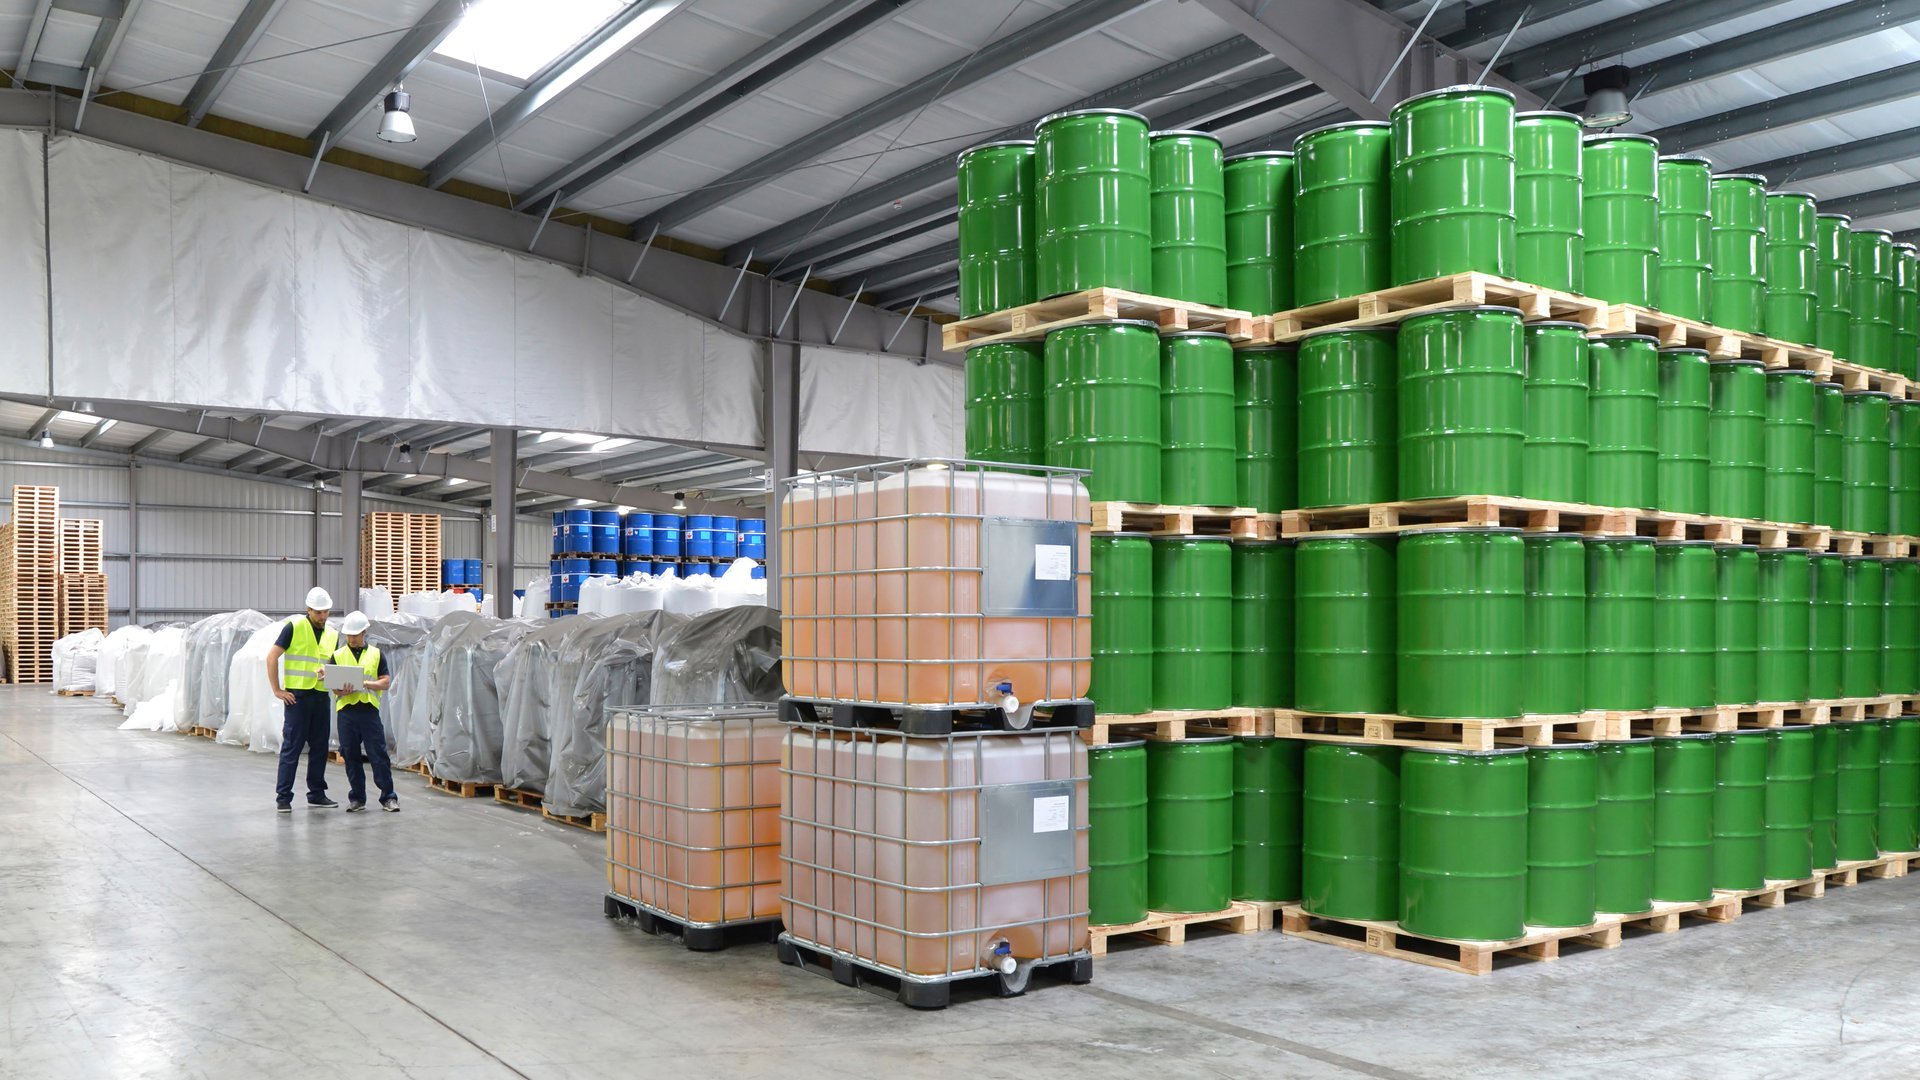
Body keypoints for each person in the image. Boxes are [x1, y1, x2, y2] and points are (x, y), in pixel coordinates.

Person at [266, 586, 340, 813]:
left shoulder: (333, 634)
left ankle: (316, 794)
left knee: (320, 747)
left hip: (321, 696)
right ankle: (283, 797)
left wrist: (331, 675)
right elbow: (271, 657)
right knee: (292, 748)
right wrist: (277, 690)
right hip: (297, 698)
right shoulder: (294, 627)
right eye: (318, 612)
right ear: (308, 609)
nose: (323, 616)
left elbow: (333, 665)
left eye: (326, 612)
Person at [330, 611, 399, 813]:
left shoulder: (376, 654)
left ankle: (388, 797)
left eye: (355, 635)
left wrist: (365, 683)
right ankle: (357, 798)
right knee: (350, 755)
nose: (351, 639)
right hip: (346, 712)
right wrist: (342, 690)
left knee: (378, 754)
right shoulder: (338, 655)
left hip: (369, 711)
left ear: (364, 632)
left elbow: (385, 682)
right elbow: (334, 687)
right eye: (348, 635)